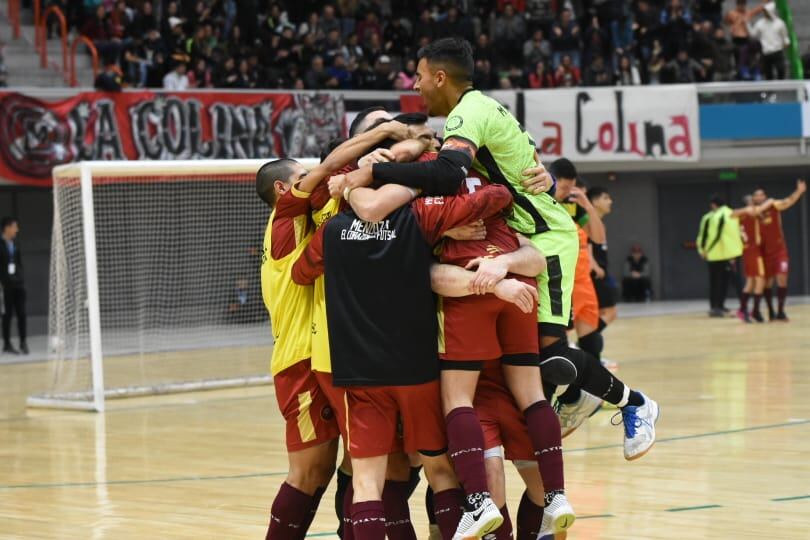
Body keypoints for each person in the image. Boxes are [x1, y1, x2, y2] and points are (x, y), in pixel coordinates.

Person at [292, 175, 519, 540]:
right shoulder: (418, 218)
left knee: (366, 482)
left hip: (359, 373)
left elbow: (301, 273)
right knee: (440, 470)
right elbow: (488, 199)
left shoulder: (331, 230)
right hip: (416, 369)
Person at [255, 119, 423, 539]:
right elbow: (331, 170)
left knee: (364, 465)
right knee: (311, 472)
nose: (313, 180)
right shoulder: (287, 218)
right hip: (301, 361)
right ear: (284, 190)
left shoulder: (312, 219)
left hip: (337, 355)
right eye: (301, 177)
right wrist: (395, 138)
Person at [751, 179, 807, 321]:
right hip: (763, 252)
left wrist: (799, 192)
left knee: (782, 279)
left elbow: (787, 202)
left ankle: (781, 311)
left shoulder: (774, 205)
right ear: (754, 198)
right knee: (767, 283)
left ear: (764, 196)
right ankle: (771, 311)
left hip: (779, 251)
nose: (759, 197)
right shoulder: (751, 211)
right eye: (756, 195)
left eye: (761, 195)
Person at [696, 194, 752, 317]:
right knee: (732, 281)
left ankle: (716, 307)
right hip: (733, 253)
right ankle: (739, 306)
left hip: (717, 254)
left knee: (716, 281)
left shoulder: (712, 217)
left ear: (713, 205)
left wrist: (703, 250)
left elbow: (708, 236)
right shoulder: (733, 214)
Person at [587, 186, 619, 326]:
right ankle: (587, 340)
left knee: (598, 313)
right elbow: (585, 245)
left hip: (601, 272)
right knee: (610, 313)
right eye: (606, 198)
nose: (610, 201)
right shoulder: (587, 222)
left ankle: (587, 342)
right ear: (594, 202)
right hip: (594, 274)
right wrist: (594, 266)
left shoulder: (600, 224)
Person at [1, 217, 26, 355]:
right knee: (7, 315)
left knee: (22, 313)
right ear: (7, 228)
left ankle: (23, 342)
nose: (17, 230)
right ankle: (7, 343)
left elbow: (19, 262)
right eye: (14, 227)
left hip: (18, 284)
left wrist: (20, 277)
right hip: (6, 285)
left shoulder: (16, 243)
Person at [746, 2, 789, 80]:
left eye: (766, 11)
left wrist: (786, 43)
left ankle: (781, 87)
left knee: (781, 70)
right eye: (764, 12)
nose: (765, 13)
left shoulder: (780, 23)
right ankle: (770, 91)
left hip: (777, 51)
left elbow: (785, 37)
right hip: (765, 52)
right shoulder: (760, 23)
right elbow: (753, 35)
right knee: (768, 73)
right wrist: (747, 24)